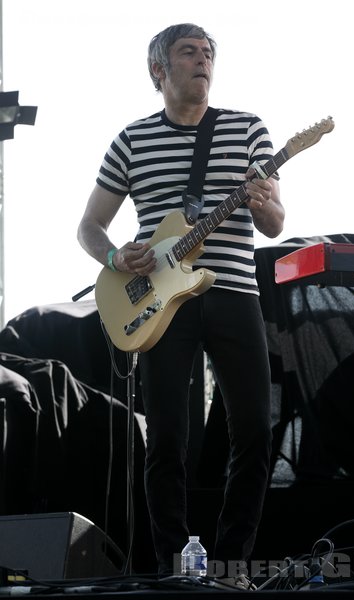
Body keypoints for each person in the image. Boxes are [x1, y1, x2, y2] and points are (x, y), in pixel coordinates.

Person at [77, 23, 285, 589]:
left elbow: (274, 224)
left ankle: (234, 566)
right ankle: (174, 568)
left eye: (209, 53)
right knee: (167, 434)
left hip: (235, 291)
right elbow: (89, 227)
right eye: (188, 53)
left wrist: (264, 203)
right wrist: (119, 257)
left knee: (256, 432)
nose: (203, 61)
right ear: (159, 71)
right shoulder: (131, 140)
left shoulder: (248, 129)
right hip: (159, 302)